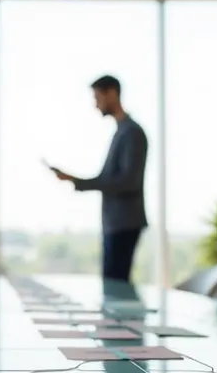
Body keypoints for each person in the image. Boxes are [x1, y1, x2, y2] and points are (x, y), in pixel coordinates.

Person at [50, 75, 149, 283]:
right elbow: (112, 178)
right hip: (115, 221)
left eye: (97, 97)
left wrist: (79, 181)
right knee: (112, 281)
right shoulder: (121, 132)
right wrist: (74, 180)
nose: (96, 104)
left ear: (111, 93)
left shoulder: (131, 133)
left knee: (116, 284)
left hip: (124, 221)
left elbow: (128, 181)